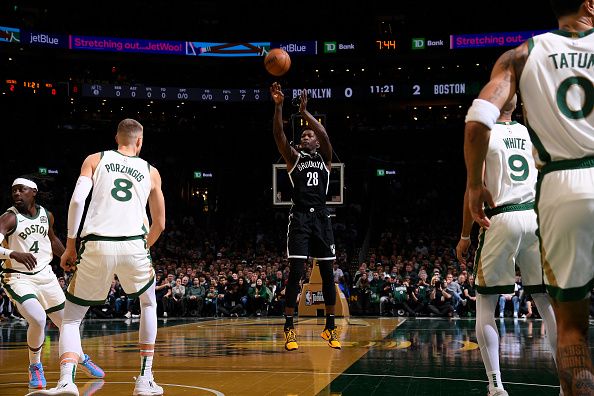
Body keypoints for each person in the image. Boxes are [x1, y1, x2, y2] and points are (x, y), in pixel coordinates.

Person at [35, 118, 166, 396]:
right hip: (134, 245)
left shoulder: (96, 159)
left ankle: (66, 381)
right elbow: (160, 224)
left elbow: (77, 201)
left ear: (116, 138)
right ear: (139, 141)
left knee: (71, 318)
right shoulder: (151, 171)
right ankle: (145, 379)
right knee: (148, 304)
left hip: (96, 244)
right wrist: (143, 248)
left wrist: (70, 245)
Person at [460, 97, 560, 396]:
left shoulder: (484, 132)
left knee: (485, 304)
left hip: (501, 218)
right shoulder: (532, 133)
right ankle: (566, 384)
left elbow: (472, 191)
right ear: (515, 107)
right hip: (535, 216)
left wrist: (465, 235)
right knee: (546, 304)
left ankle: (496, 386)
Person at [0, 178, 104, 391]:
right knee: (38, 319)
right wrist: (13, 254)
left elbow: (52, 240)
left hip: (46, 275)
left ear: (34, 192)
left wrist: (68, 256)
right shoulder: (9, 218)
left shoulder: (46, 215)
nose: (17, 194)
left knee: (68, 323)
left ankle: (79, 356)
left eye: (22, 190)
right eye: (14, 191)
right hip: (18, 277)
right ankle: (35, 366)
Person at [270, 82, 340, 351]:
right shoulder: (294, 158)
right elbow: (278, 135)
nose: (306, 137)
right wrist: (278, 106)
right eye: (303, 136)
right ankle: (289, 328)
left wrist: (304, 112)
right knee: (296, 272)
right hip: (299, 218)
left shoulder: (325, 158)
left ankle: (330, 327)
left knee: (327, 273)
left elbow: (324, 134)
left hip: (322, 218)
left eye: (309, 135)